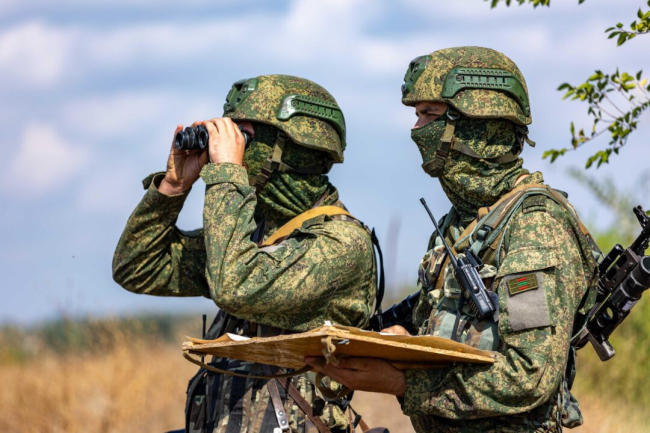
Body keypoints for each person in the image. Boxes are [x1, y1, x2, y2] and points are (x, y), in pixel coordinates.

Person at [306, 47, 599, 432]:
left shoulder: (535, 225)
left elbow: (529, 377)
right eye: (417, 115)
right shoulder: (458, 225)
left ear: (476, 122)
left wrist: (402, 383)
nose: (416, 130)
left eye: (430, 115)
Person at [112, 75, 379, 433]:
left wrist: (226, 175)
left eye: (243, 137)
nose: (228, 146)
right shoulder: (254, 234)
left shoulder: (341, 245)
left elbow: (234, 287)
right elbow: (138, 267)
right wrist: (173, 187)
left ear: (289, 147)